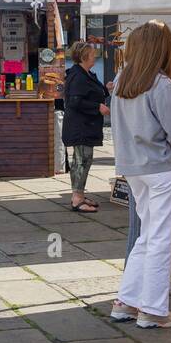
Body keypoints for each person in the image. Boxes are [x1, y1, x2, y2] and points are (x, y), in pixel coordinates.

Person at [110, 20, 171, 330]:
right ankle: (153, 309)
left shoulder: (120, 82)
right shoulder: (161, 84)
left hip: (133, 168)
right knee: (163, 237)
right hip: (160, 167)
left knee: (147, 235)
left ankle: (126, 301)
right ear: (161, 48)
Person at [62, 41, 110, 214]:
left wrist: (107, 89)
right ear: (84, 57)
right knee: (82, 161)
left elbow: (92, 92)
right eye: (92, 54)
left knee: (81, 161)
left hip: (85, 126)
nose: (95, 57)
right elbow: (75, 101)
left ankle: (79, 195)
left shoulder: (85, 73)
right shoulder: (78, 76)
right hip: (80, 127)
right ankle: (77, 199)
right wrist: (98, 107)